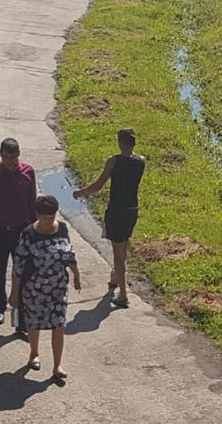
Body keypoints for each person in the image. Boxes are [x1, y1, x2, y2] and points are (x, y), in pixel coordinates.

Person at [9, 194, 80, 385]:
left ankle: (58, 365)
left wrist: (76, 275)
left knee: (59, 325)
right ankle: (34, 353)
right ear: (37, 215)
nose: (49, 221)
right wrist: (14, 292)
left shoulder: (62, 228)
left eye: (52, 216)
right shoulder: (28, 234)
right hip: (34, 289)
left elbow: (69, 254)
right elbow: (18, 265)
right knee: (34, 323)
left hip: (58, 288)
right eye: (45, 217)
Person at [73, 128, 145, 308]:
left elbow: (98, 185)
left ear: (120, 143)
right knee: (124, 243)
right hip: (132, 209)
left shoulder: (113, 161)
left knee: (118, 253)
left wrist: (80, 192)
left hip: (116, 210)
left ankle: (123, 295)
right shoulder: (141, 161)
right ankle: (115, 277)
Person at [0, 138, 36, 326]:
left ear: (18, 154)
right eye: (6, 157)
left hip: (22, 230)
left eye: (13, 157)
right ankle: (0, 307)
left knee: (21, 272)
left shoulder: (28, 172)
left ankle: (20, 312)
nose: (10, 161)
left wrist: (35, 230)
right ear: (1, 155)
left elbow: (32, 202)